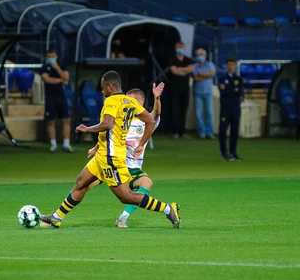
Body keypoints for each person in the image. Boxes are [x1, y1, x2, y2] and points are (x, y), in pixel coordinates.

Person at [39, 71, 180, 229]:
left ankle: (167, 209)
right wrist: (140, 144)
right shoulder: (129, 101)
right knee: (81, 183)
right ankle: (57, 217)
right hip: (102, 155)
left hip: (111, 157)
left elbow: (107, 124)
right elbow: (150, 121)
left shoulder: (111, 101)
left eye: (103, 87)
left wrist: (87, 129)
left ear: (110, 87)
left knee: (126, 196)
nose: (102, 90)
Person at [87, 83, 164, 228]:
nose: (125, 103)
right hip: (114, 162)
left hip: (132, 168)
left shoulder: (145, 122)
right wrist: (95, 148)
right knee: (85, 185)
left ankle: (123, 218)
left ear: (138, 103)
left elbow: (156, 113)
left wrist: (157, 98)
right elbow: (107, 135)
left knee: (146, 183)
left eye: (129, 100)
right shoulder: (121, 120)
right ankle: (58, 214)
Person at [42, 50, 73, 153]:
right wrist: (60, 80)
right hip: (50, 97)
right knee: (51, 121)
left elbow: (66, 77)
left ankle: (66, 144)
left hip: (61, 96)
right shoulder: (44, 67)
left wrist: (57, 68)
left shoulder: (61, 66)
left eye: (53, 55)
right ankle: (53, 144)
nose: (51, 57)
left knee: (66, 119)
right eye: (49, 55)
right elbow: (47, 79)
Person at [167, 42, 194, 139]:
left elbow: (191, 69)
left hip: (185, 88)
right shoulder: (173, 59)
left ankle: (183, 131)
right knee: (176, 110)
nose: (180, 49)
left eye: (181, 47)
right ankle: (176, 131)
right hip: (175, 88)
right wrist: (184, 70)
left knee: (184, 109)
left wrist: (180, 70)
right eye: (178, 47)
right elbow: (174, 71)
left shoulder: (188, 59)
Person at [218, 58, 244, 161]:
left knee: (235, 131)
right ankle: (224, 153)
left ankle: (233, 153)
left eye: (233, 65)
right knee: (223, 131)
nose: (231, 67)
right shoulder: (221, 79)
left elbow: (240, 92)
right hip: (225, 109)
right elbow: (223, 92)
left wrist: (229, 89)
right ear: (226, 65)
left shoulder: (239, 79)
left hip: (236, 109)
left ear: (235, 66)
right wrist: (233, 90)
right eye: (229, 65)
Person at [193, 49, 216, 139]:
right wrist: (207, 75)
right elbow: (196, 78)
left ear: (205, 55)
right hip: (198, 93)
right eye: (198, 55)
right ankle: (202, 132)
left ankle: (209, 132)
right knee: (199, 114)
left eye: (201, 54)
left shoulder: (210, 64)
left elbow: (212, 74)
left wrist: (201, 74)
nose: (200, 56)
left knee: (209, 113)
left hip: (208, 92)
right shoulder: (195, 66)